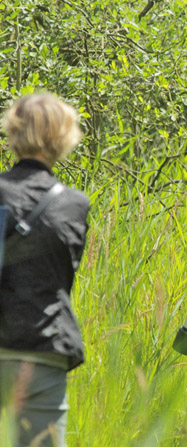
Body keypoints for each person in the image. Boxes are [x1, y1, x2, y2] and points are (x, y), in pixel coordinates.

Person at [0, 93, 90, 447]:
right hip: (43, 348)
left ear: (13, 132)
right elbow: (62, 280)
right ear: (64, 137)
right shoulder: (74, 204)